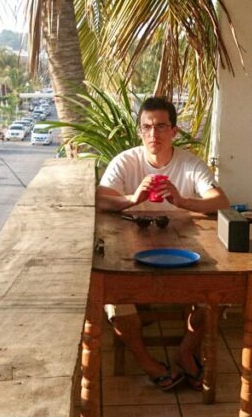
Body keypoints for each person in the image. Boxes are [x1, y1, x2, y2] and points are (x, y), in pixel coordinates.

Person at [97, 96, 230, 391]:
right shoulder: (126, 161)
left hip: (183, 249)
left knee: (219, 290)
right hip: (131, 245)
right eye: (146, 127)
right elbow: (98, 198)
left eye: (160, 127)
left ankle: (185, 351)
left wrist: (182, 201)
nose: (153, 135)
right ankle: (147, 361)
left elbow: (221, 200)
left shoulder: (188, 163)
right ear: (139, 130)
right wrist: (132, 199)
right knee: (117, 299)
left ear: (173, 131)